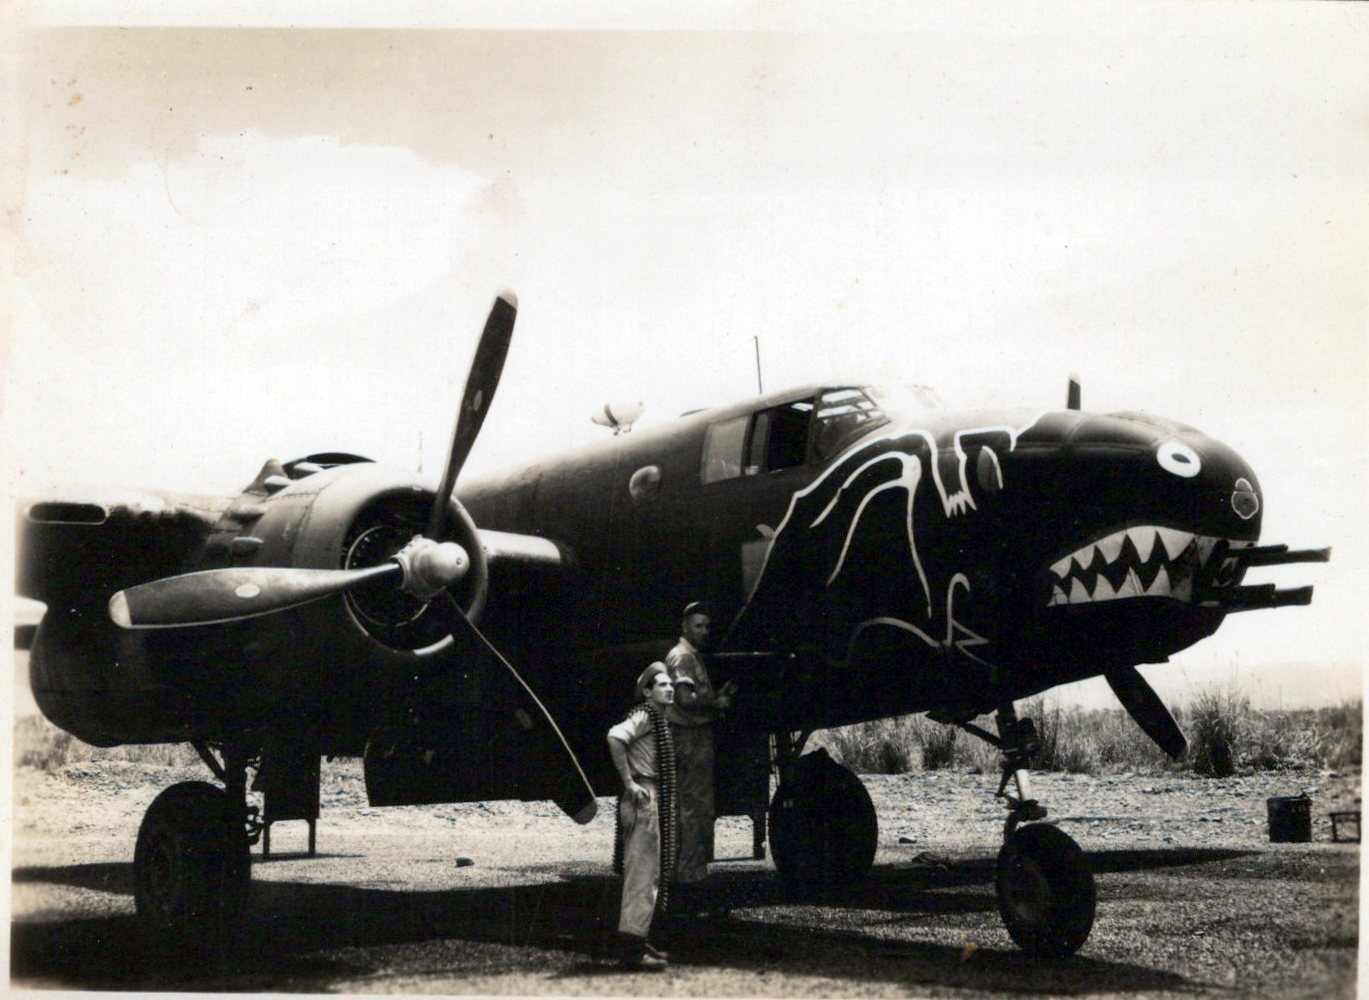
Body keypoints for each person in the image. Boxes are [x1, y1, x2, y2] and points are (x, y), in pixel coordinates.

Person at [663, 601, 737, 915]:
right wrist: (716, 701)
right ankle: (689, 881)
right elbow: (684, 699)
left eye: (707, 626)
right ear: (684, 627)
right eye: (698, 626)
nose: (704, 632)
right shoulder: (682, 656)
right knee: (693, 808)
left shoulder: (690, 656)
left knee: (691, 806)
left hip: (694, 738)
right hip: (689, 739)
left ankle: (685, 876)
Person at [606, 662, 678, 970]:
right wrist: (629, 782)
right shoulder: (645, 716)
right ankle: (631, 951)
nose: (669, 688)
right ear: (648, 692)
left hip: (650, 797)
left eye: (670, 684)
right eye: (662, 685)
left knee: (649, 875)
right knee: (642, 875)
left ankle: (637, 939)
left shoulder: (656, 719)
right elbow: (615, 737)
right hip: (644, 796)